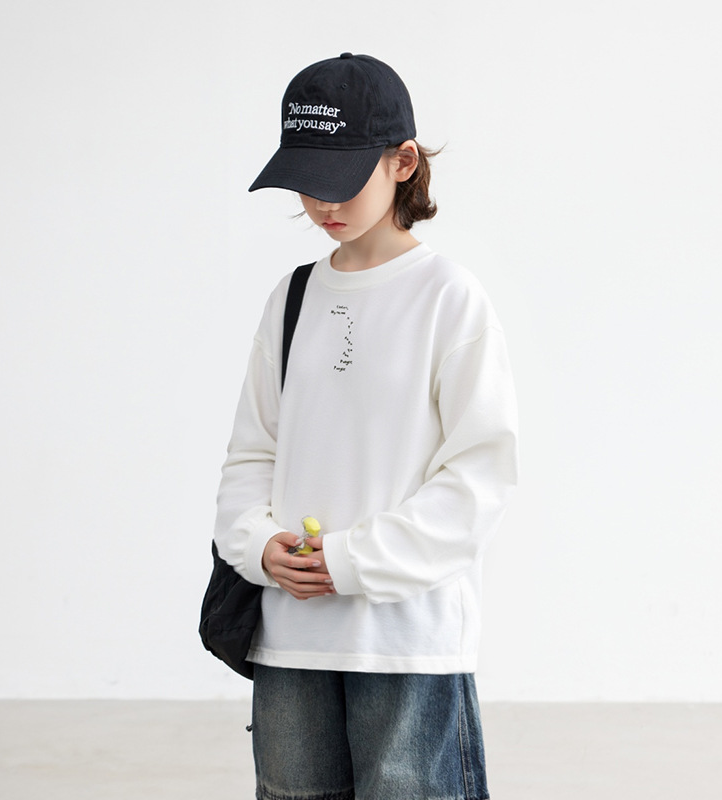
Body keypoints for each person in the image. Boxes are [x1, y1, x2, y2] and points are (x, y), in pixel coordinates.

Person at [214, 52, 518, 800]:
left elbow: (478, 478)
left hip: (407, 643)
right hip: (290, 643)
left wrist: (350, 560)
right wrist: (258, 546)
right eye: (306, 178)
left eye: (341, 175)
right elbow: (252, 452)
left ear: (402, 162)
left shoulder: (449, 297)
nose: (323, 201)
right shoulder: (292, 298)